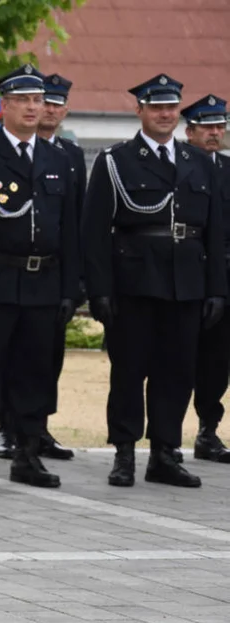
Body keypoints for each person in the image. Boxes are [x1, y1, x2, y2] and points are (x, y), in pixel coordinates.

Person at [84, 74, 226, 488]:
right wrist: (99, 289)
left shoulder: (198, 162)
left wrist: (216, 287)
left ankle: (165, 452)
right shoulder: (117, 160)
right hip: (134, 281)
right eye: (157, 107)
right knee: (129, 370)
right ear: (140, 111)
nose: (165, 114)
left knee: (178, 371)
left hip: (186, 282)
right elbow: (94, 232)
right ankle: (125, 452)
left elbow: (215, 232)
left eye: (171, 107)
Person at [0, 65, 79, 489]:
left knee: (36, 371)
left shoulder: (59, 158)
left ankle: (28, 453)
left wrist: (69, 289)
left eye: (37, 99)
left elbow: (70, 230)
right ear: (3, 106)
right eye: (22, 100)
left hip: (44, 282)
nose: (32, 107)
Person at [182, 94, 230, 463]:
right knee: (177, 357)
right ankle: (166, 435)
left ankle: (207, 431)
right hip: (187, 274)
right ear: (190, 131)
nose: (215, 133)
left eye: (219, 126)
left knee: (217, 359)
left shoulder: (228, 169)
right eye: (207, 127)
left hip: (224, 277)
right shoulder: (180, 166)